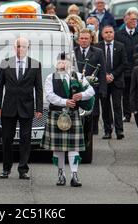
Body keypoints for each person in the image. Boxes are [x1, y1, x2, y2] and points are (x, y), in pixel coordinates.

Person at [42, 53, 94, 187]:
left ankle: (74, 175)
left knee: (73, 147)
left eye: (65, 62)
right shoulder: (50, 77)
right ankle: (61, 174)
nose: (63, 64)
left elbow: (91, 91)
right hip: (56, 114)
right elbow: (49, 96)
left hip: (73, 115)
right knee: (58, 148)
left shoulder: (78, 76)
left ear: (70, 64)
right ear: (56, 63)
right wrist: (65, 102)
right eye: (60, 62)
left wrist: (80, 95)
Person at [0, 38, 43, 180]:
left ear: (28, 48)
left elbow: (38, 89)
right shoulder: (6, 63)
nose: (20, 49)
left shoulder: (35, 64)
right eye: (18, 46)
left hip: (27, 107)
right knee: (7, 139)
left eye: (23, 47)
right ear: (14, 48)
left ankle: (23, 169)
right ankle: (6, 168)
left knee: (25, 140)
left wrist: (39, 108)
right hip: (8, 107)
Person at [95, 26, 127, 139]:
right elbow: (96, 64)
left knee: (117, 106)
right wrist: (104, 76)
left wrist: (113, 75)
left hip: (116, 80)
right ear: (102, 34)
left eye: (110, 32)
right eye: (106, 32)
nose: (108, 34)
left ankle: (119, 130)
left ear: (114, 33)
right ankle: (107, 130)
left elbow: (124, 63)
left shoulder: (120, 46)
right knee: (105, 106)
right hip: (103, 81)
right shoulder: (98, 47)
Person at [74, 29, 106, 135]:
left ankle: (92, 130)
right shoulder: (73, 52)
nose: (84, 41)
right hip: (76, 87)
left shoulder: (98, 52)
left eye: (86, 38)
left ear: (91, 39)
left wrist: (103, 89)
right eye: (82, 38)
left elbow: (102, 72)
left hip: (92, 87)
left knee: (94, 110)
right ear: (78, 40)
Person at [115, 8, 138, 123]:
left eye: (136, 20)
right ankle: (127, 114)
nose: (134, 22)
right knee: (126, 92)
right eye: (132, 19)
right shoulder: (119, 34)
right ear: (126, 20)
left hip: (137, 67)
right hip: (125, 68)